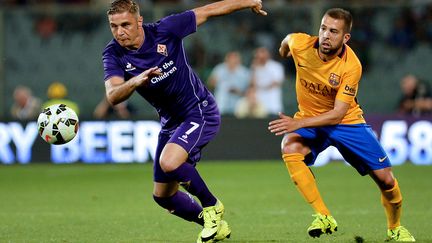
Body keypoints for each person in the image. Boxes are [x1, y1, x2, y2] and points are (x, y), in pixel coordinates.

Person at [102, 1, 266, 242]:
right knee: (163, 196)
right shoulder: (113, 53)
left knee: (169, 162)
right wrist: (136, 81)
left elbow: (208, 11)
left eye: (125, 24)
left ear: (138, 21)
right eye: (113, 26)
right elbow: (113, 95)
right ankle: (214, 225)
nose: (119, 32)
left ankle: (212, 206)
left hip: (199, 110)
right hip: (171, 122)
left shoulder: (165, 30)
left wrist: (248, 2)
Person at [268, 8, 415, 242]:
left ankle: (395, 228)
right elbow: (287, 42)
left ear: (345, 37)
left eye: (334, 31)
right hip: (311, 119)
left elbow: (337, 114)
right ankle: (324, 216)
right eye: (323, 28)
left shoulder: (351, 66)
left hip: (347, 123)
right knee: (290, 148)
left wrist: (298, 122)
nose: (326, 35)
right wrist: (285, 50)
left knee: (386, 180)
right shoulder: (301, 44)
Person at [207, 51, 250, 116]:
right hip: (221, 104)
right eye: (230, 59)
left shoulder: (244, 73)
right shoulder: (219, 69)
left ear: (239, 61)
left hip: (238, 105)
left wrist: (238, 92)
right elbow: (210, 84)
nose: (232, 61)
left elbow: (249, 91)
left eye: (234, 59)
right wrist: (213, 82)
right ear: (226, 60)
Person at [250, 46, 285, 116]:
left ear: (267, 55)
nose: (260, 57)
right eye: (258, 55)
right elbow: (252, 85)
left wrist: (262, 86)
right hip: (259, 107)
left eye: (262, 54)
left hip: (273, 105)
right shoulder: (255, 68)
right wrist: (254, 69)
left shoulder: (276, 66)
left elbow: (277, 82)